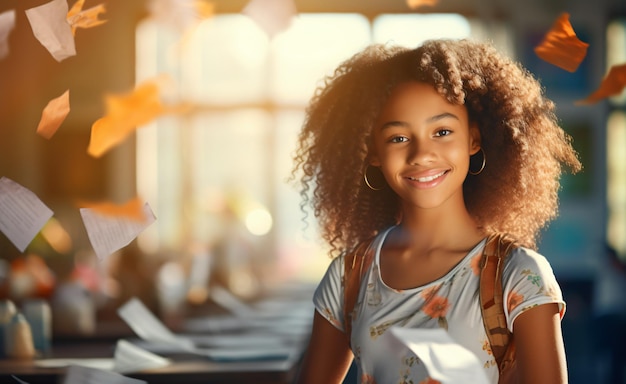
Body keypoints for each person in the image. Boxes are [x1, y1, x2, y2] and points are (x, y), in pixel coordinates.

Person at [291, 38, 581, 384]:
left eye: (442, 132)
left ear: (474, 139)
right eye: (398, 138)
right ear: (371, 153)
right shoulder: (348, 277)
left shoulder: (518, 275)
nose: (421, 154)